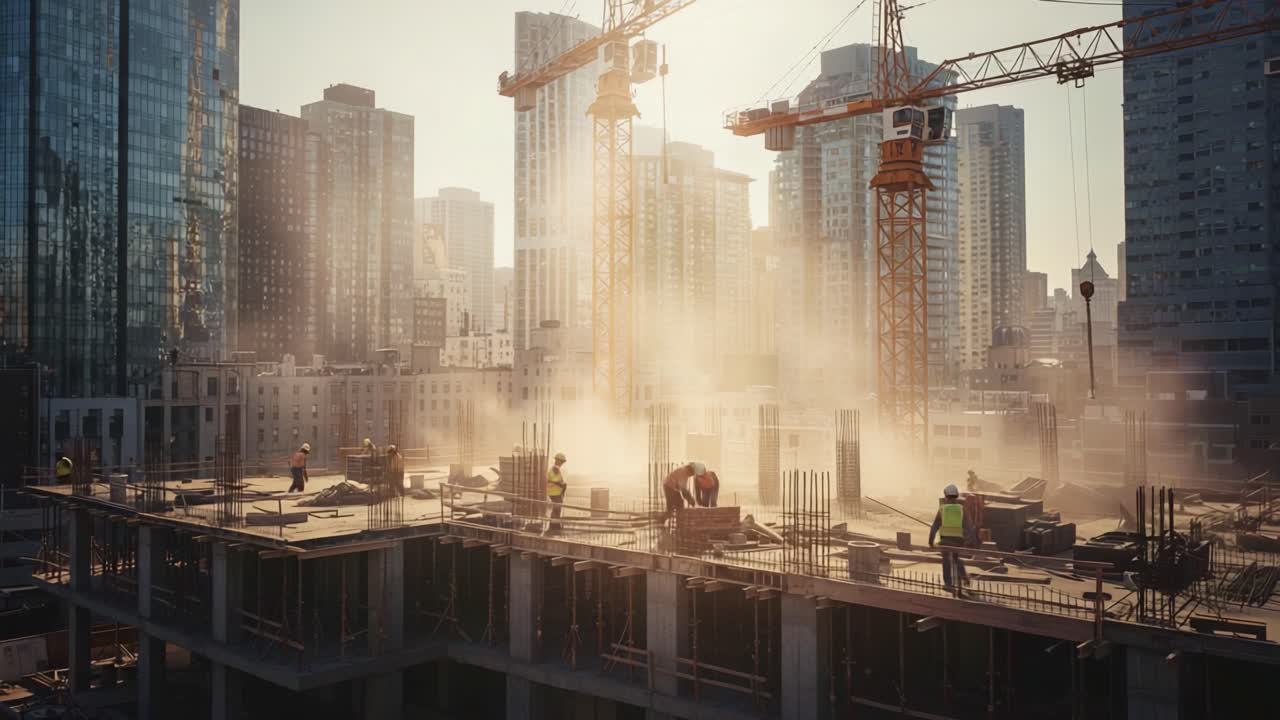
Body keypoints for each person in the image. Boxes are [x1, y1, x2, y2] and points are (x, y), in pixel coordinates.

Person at [929, 483, 975, 593]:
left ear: (946, 496)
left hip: (945, 541)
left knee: (946, 560)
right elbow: (969, 527)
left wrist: (931, 541)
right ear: (956, 496)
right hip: (958, 541)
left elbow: (934, 527)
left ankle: (948, 584)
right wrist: (968, 540)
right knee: (956, 558)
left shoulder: (942, 509)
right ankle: (964, 576)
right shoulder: (961, 509)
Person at [546, 452, 567, 535]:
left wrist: (562, 486)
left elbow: (561, 482)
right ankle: (554, 526)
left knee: (557, 509)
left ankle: (555, 526)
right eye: (561, 461)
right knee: (556, 509)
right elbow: (552, 481)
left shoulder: (557, 470)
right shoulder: (554, 469)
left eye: (562, 462)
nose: (562, 463)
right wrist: (559, 484)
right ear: (557, 460)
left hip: (557, 493)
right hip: (554, 493)